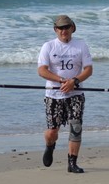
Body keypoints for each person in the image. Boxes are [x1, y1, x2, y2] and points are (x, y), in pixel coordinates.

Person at [37, 15, 93, 174]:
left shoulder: (81, 45)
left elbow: (88, 70)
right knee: (52, 132)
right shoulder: (48, 46)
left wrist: (74, 81)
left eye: (67, 27)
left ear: (72, 28)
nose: (64, 31)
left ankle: (72, 163)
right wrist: (61, 80)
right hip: (53, 95)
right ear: (55, 29)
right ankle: (50, 146)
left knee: (76, 127)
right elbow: (42, 71)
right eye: (60, 28)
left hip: (76, 94)